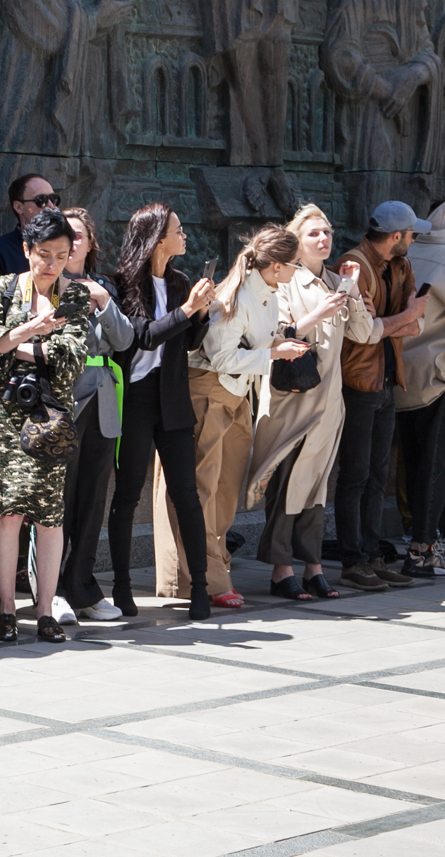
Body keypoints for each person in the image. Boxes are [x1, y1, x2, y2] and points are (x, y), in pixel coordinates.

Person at [160, 225, 306, 609]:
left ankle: (213, 570)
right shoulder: (234, 296)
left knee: (224, 493)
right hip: (208, 393)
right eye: (294, 265)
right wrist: (275, 354)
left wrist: (281, 344)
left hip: (238, 395)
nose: (297, 272)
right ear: (275, 266)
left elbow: (258, 342)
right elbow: (221, 357)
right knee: (201, 490)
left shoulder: (269, 293)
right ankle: (203, 580)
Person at [0, 210, 89, 643]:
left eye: (61, 254)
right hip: (4, 414)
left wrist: (17, 343)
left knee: (50, 516)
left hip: (51, 416)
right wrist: (30, 332)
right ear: (26, 250)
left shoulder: (73, 294)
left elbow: (71, 356)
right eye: (43, 254)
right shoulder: (4, 287)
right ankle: (5, 608)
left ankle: (45, 611)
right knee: (8, 511)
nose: (52, 264)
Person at [247, 205, 371, 599]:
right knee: (287, 480)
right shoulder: (284, 283)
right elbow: (271, 334)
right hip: (292, 401)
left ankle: (313, 565)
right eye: (314, 233)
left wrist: (350, 292)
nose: (324, 239)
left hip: (329, 402)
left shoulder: (337, 281)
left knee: (316, 485)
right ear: (297, 243)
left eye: (328, 233)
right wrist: (317, 314)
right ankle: (282, 570)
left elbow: (365, 334)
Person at [108, 204, 218, 619]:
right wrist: (188, 309)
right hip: (134, 399)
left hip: (171, 397)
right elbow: (145, 337)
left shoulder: (180, 281)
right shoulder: (121, 285)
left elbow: (187, 342)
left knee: (186, 494)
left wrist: (201, 313)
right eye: (178, 228)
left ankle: (200, 587)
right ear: (157, 238)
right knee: (127, 494)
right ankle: (121, 586)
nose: (185, 234)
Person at [335, 201, 430, 591]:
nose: (414, 239)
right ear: (396, 236)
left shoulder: (401, 266)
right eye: (411, 234)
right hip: (359, 381)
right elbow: (363, 332)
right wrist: (402, 318)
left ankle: (372, 555)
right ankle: (352, 560)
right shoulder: (353, 266)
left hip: (388, 379)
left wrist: (392, 322)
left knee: (377, 476)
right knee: (355, 475)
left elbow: (415, 324)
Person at [54, 208, 133, 622]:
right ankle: (49, 589)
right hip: (63, 400)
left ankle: (82, 586)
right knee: (56, 500)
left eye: (79, 235)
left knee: (92, 498)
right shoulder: (44, 285)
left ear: (89, 243)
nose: (72, 242)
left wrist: (103, 304)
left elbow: (123, 340)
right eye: (64, 235)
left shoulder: (102, 286)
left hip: (102, 399)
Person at [392, 199, 445, 576]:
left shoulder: (409, 252)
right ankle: (424, 552)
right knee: (438, 467)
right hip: (443, 376)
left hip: (402, 377)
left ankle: (421, 543)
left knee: (413, 464)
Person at [0, 174, 61, 277]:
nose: (50, 206)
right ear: (18, 207)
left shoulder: (69, 246)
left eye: (53, 199)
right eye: (41, 200)